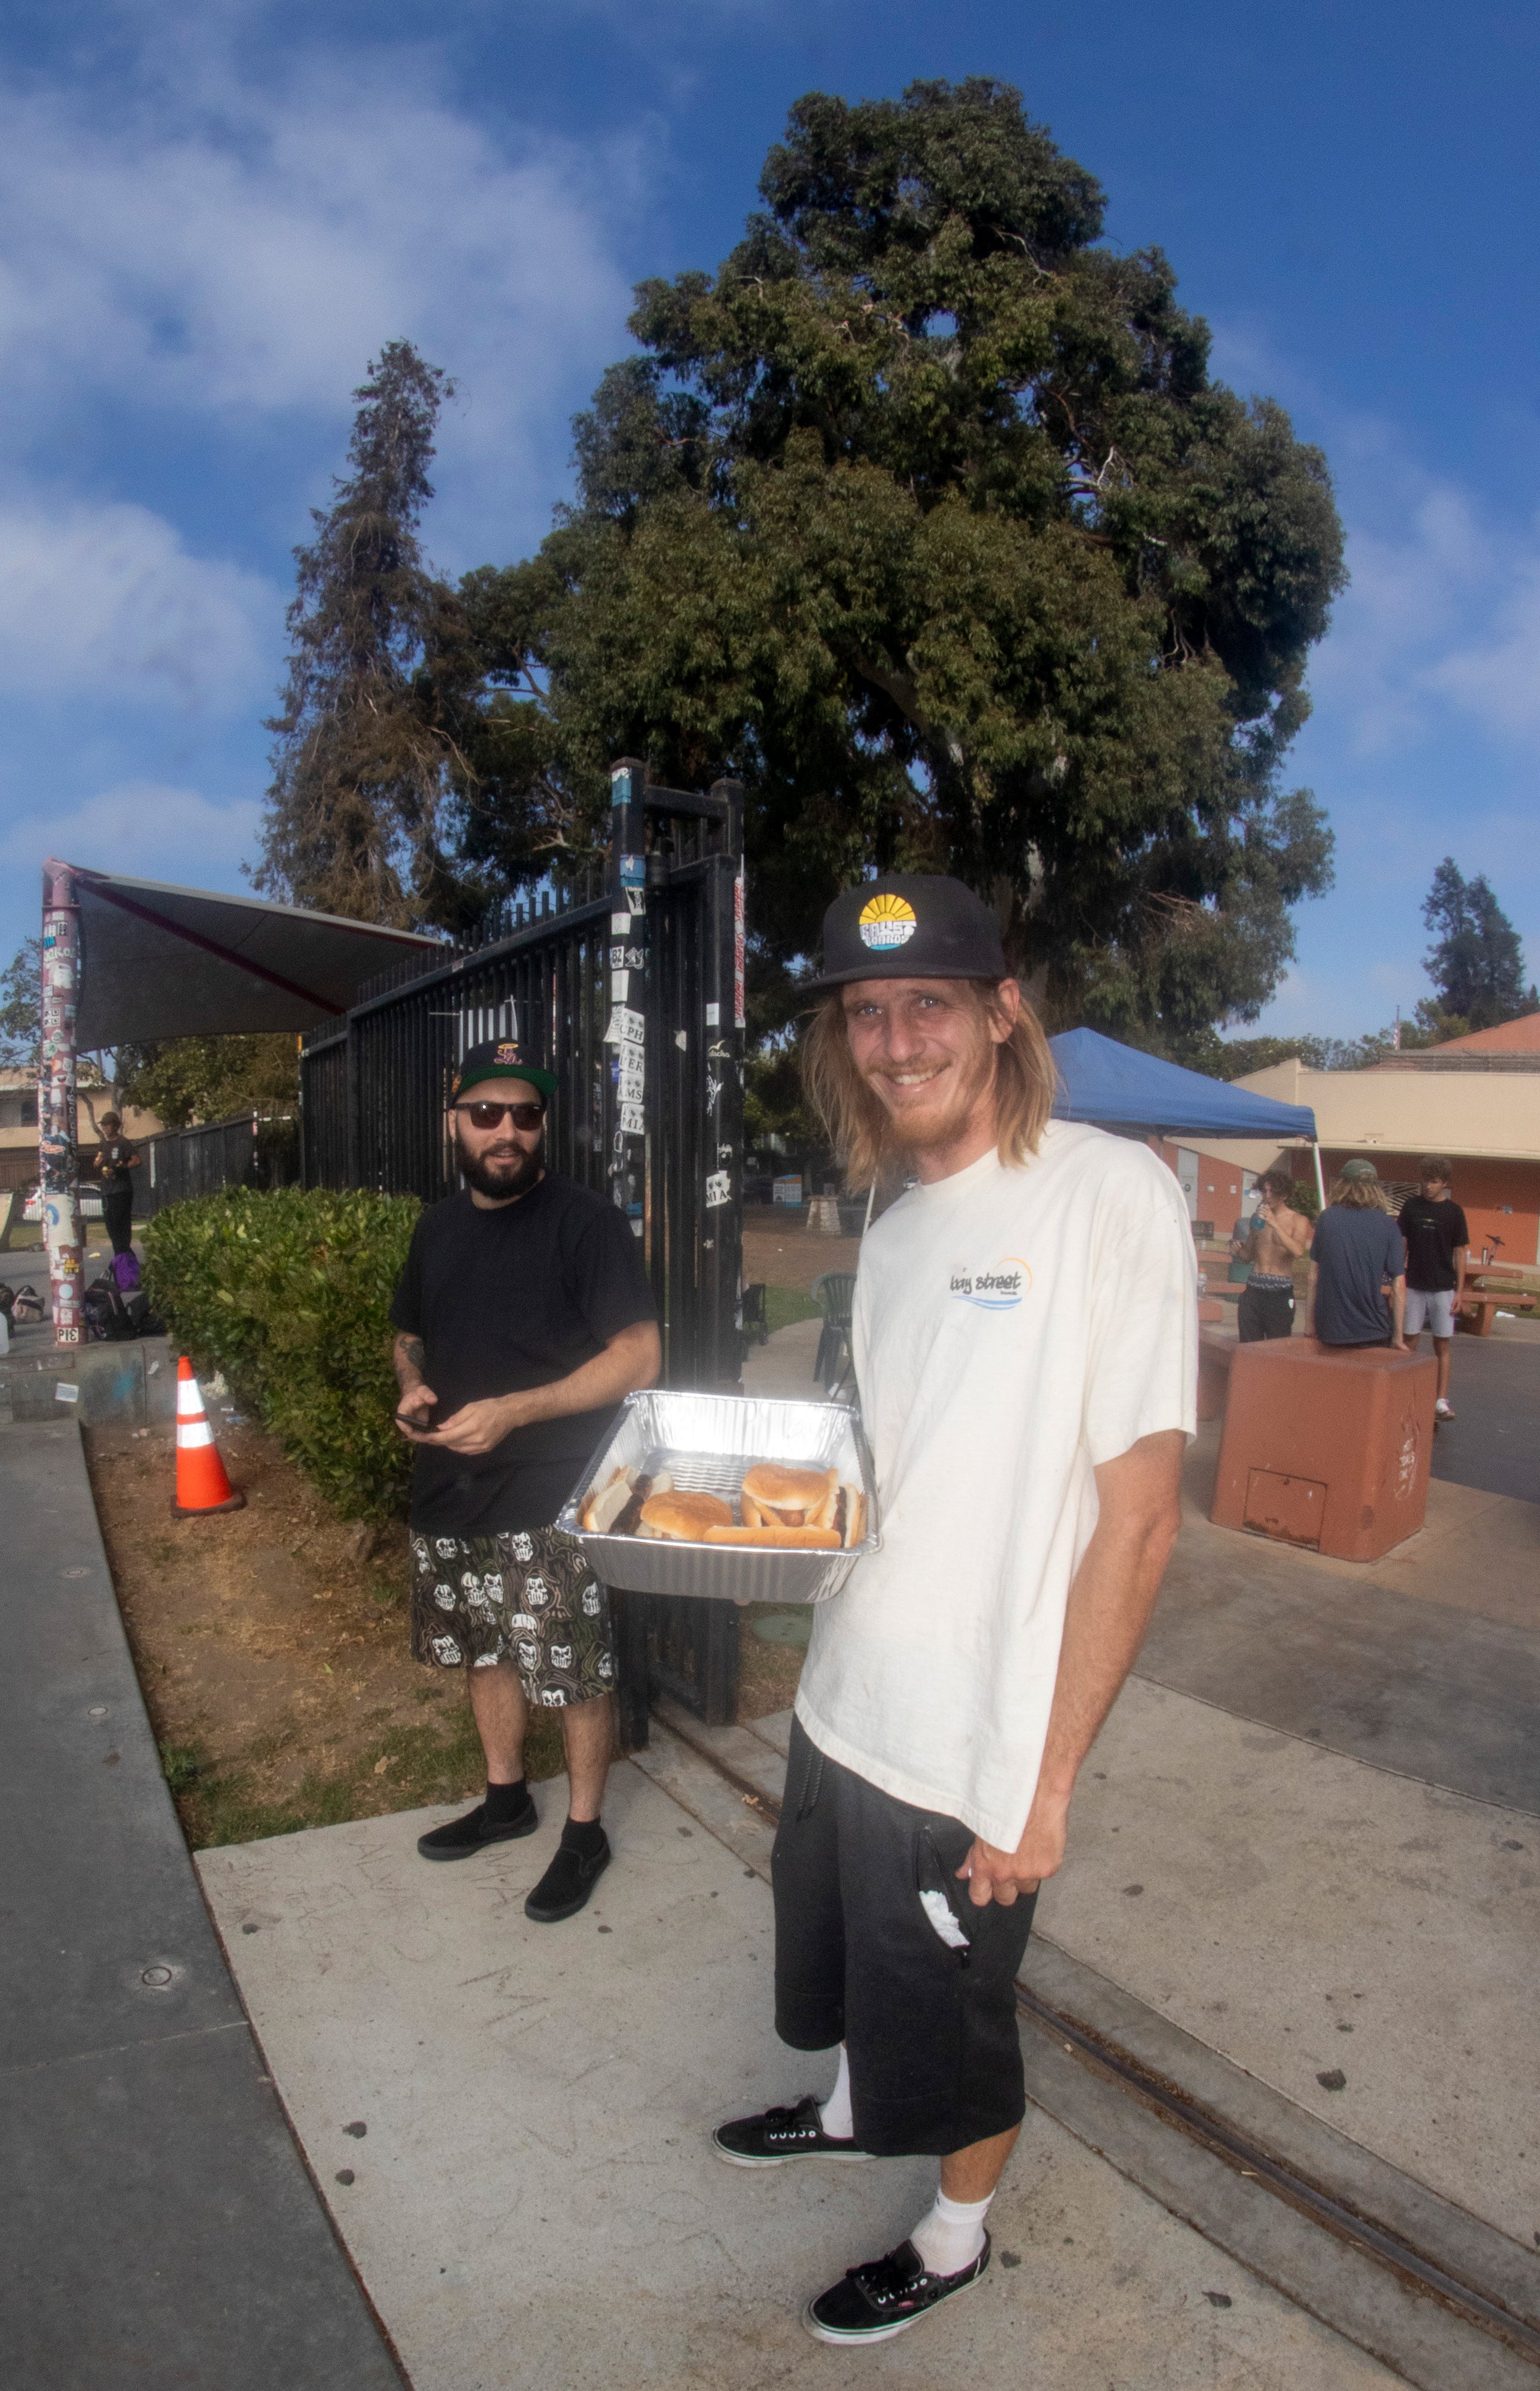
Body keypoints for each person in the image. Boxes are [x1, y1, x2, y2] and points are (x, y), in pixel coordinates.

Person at [711, 875, 1196, 2347]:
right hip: (847, 1696)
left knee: (957, 2028)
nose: (894, 1037)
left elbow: (1142, 1517)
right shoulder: (900, 1218)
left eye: (928, 1001)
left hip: (971, 1741)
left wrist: (1041, 1785)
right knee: (853, 1964)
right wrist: (770, 1504)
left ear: (1000, 1012)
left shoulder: (1109, 1190)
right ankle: (853, 2108)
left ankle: (953, 2232)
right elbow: (902, 1464)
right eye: (866, 1011)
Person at [390, 1039, 661, 1924]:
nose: (507, 1131)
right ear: (455, 1122)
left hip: (555, 1489)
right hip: (451, 1488)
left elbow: (639, 1357)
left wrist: (517, 1410)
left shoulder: (584, 1224)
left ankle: (585, 1831)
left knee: (574, 1671)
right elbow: (408, 1333)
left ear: (542, 1126)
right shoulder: (436, 1228)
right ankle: (505, 1799)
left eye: (526, 1115)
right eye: (487, 1113)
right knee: (484, 1652)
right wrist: (413, 1388)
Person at [1307, 1159, 1407, 1352]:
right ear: (1376, 1188)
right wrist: (1398, 1337)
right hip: (1374, 1327)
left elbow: (1313, 1276)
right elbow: (1399, 1285)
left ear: (1343, 1186)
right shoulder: (1388, 1225)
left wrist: (1309, 1325)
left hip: (1331, 1327)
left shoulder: (1327, 1219)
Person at [1397, 1157, 1469, 1422]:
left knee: (1442, 1344)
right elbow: (1402, 1243)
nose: (1428, 1186)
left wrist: (1459, 1292)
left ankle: (1440, 1400)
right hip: (1414, 1285)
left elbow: (1460, 1252)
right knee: (1410, 1342)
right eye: (1425, 1180)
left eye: (1434, 1181)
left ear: (1445, 1183)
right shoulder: (1411, 1206)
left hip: (1443, 1289)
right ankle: (1405, 1393)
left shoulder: (1454, 1212)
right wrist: (1397, 1280)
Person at [1229, 1168, 1312, 1341]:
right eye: (1264, 1191)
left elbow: (1298, 1251)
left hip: (1279, 1293)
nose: (1267, 1196)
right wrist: (1238, 1250)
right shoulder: (1257, 1218)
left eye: (1272, 1191)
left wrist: (1274, 1224)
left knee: (1277, 1348)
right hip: (1254, 1290)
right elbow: (1247, 1256)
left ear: (1284, 1195)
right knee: (1249, 1347)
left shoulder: (1298, 1220)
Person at [92, 1111, 140, 1257]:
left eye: (107, 1125)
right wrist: (97, 1163)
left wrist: (119, 1168)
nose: (105, 1128)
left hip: (121, 1190)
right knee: (111, 1226)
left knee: (122, 1226)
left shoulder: (123, 1142)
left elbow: (136, 1161)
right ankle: (121, 1258)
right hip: (107, 1191)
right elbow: (97, 1161)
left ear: (115, 1125)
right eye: (103, 1126)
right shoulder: (103, 1144)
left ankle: (124, 1258)